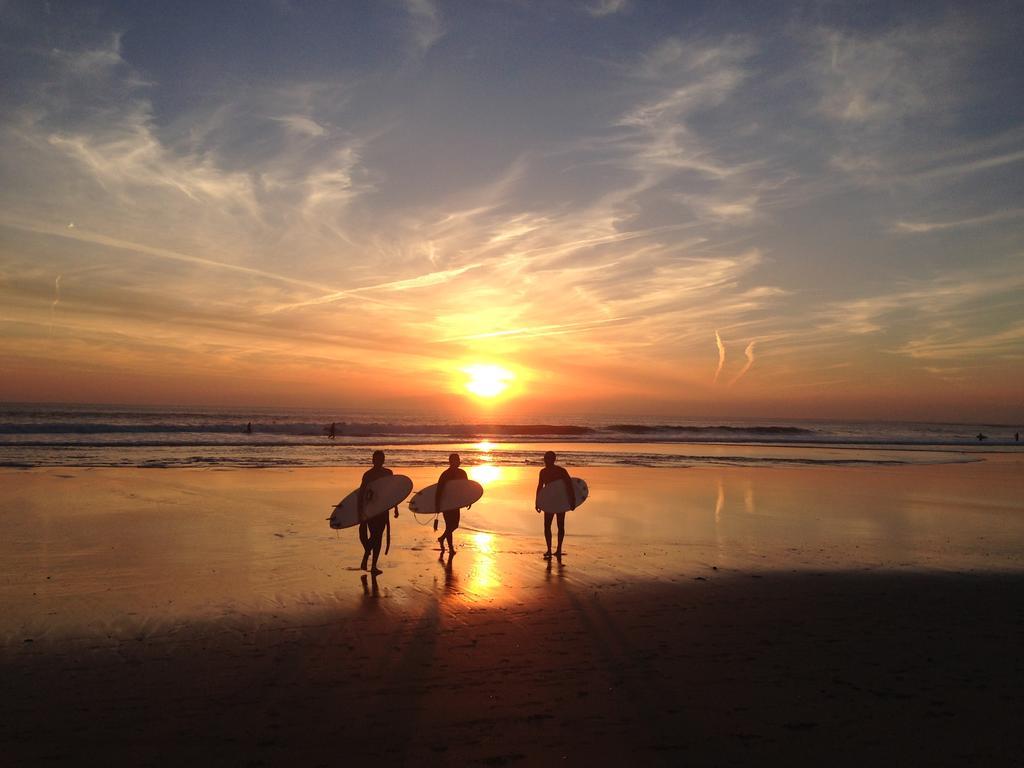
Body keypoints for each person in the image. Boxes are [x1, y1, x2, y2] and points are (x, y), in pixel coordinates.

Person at [357, 450, 398, 574]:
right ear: (373, 460)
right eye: (377, 459)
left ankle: (373, 565)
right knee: (371, 535)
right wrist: (360, 511)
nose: (380, 461)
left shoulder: (388, 473)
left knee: (378, 537)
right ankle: (367, 554)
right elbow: (361, 493)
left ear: (384, 460)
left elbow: (393, 492)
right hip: (370, 509)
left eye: (382, 459)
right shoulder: (368, 475)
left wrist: (395, 507)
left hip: (383, 510)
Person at [535, 450, 575, 559]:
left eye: (547, 458)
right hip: (549, 501)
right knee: (547, 526)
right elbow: (540, 487)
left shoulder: (561, 471)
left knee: (560, 525)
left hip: (560, 501)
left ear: (553, 459)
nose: (546, 461)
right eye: (545, 458)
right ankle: (549, 549)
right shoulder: (543, 472)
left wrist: (572, 501)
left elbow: (569, 486)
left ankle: (558, 549)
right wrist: (537, 502)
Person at [435, 453, 467, 554]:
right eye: (455, 460)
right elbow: (439, 490)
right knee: (449, 525)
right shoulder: (445, 474)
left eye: (458, 460)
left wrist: (468, 500)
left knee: (455, 525)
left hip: (456, 503)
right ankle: (451, 548)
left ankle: (442, 538)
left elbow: (466, 488)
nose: (457, 462)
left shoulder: (462, 473)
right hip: (446, 503)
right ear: (450, 462)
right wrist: (438, 505)